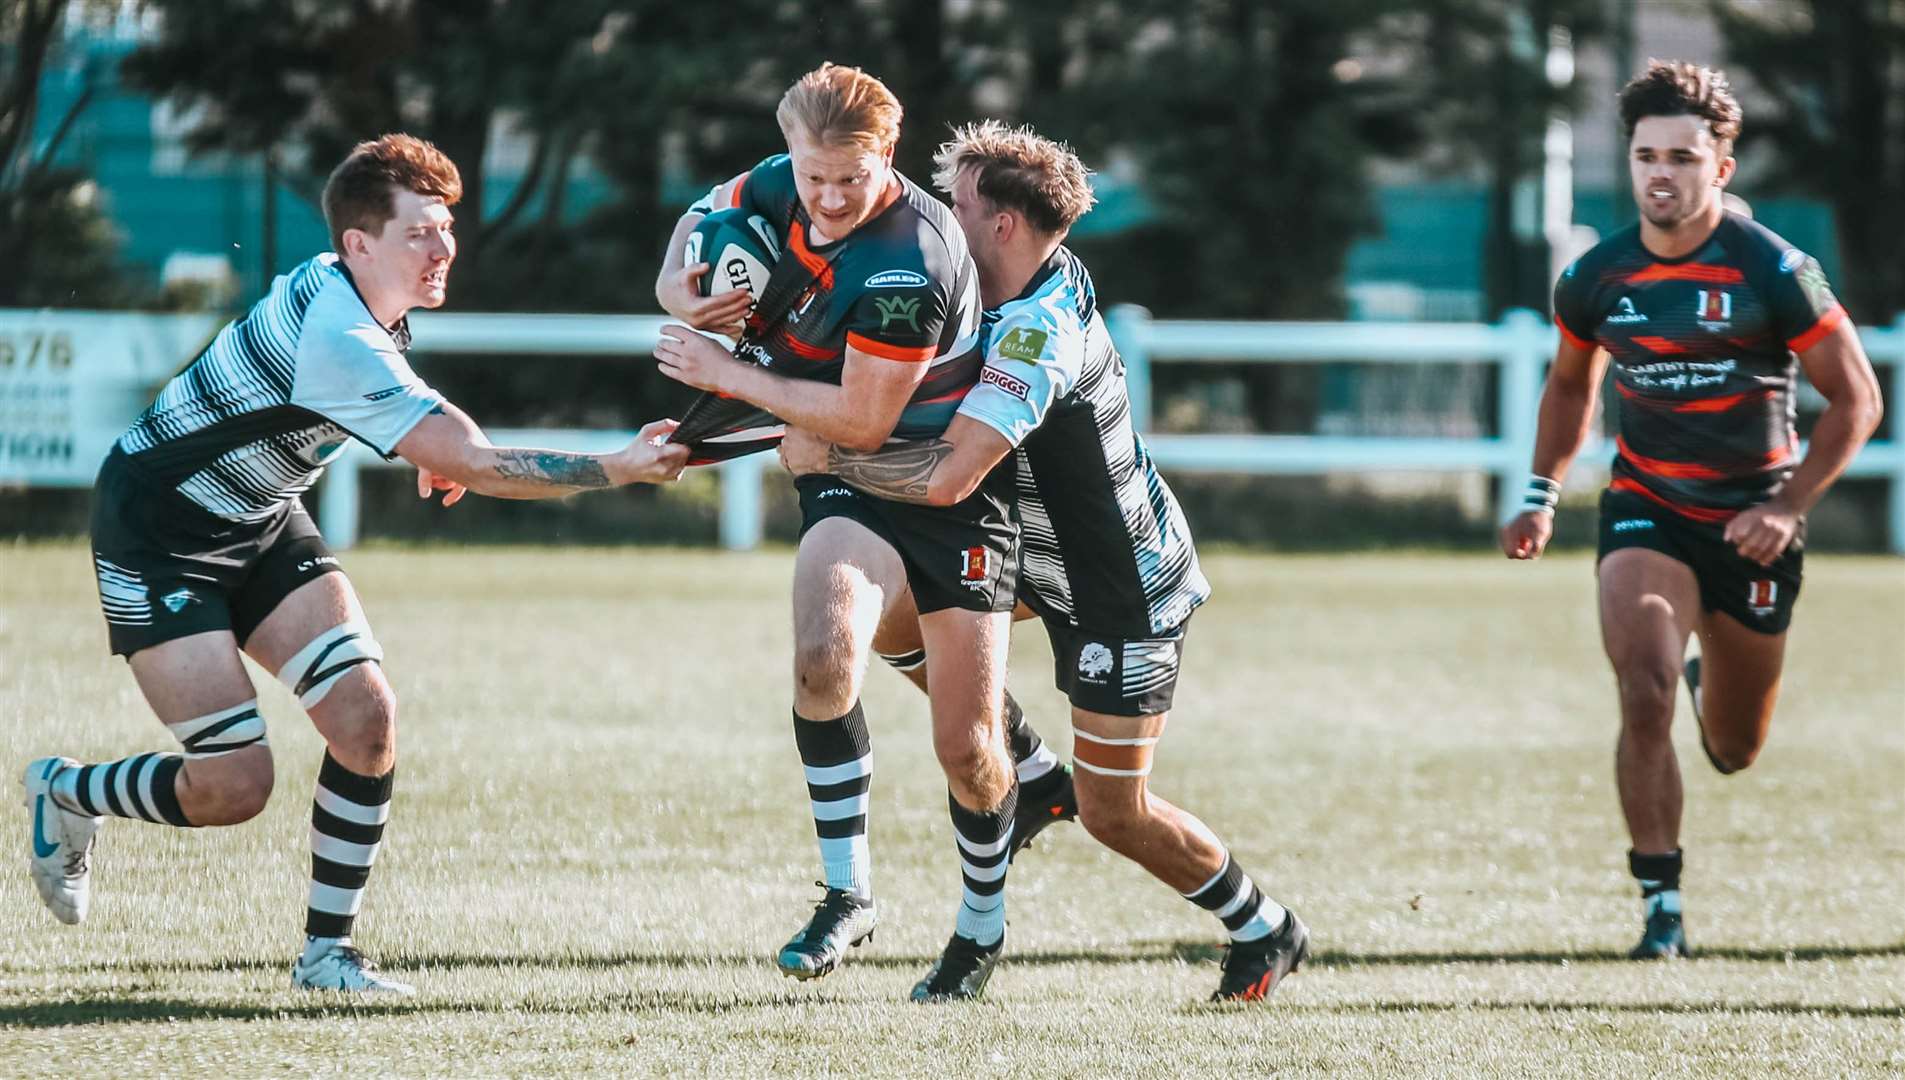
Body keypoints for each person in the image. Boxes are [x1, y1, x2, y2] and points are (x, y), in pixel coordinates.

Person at [22, 134, 688, 995]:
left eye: (446, 228)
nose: (445, 248)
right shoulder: (341, 332)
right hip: (157, 530)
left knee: (366, 720)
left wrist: (426, 442)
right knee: (236, 784)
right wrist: (614, 467)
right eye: (420, 232)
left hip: (258, 520)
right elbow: (478, 461)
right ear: (359, 244)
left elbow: (398, 408)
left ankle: (327, 955)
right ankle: (70, 791)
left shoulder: (353, 292)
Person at [779, 120, 1308, 1002]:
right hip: (1024, 555)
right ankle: (1025, 770)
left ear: (1004, 227)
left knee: (1115, 813)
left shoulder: (1039, 331)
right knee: (879, 616)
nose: (939, 220)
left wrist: (821, 453)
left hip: (1119, 584)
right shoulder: (979, 284)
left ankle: (1263, 924)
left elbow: (949, 478)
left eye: (956, 206)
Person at [652, 64, 1071, 998]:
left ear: (888, 153)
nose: (831, 197)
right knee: (822, 652)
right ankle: (848, 895)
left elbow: (861, 420)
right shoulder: (781, 176)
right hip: (853, 489)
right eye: (813, 179)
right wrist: (680, 299)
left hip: (947, 491)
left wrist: (721, 378)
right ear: (791, 153)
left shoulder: (906, 265)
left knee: (965, 748)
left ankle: (979, 929)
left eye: (853, 177)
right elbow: (692, 225)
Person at [1499, 61, 1882, 959]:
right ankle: (1660, 907)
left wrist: (1787, 508)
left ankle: (1716, 678)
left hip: (1753, 523)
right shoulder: (1595, 278)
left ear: (1722, 167)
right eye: (1643, 156)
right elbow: (1566, 387)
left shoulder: (1775, 270)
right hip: (1646, 508)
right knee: (1641, 689)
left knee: (1735, 749)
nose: (1659, 174)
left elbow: (1858, 400)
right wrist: (1539, 492)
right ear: (1628, 163)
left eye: (1680, 155)